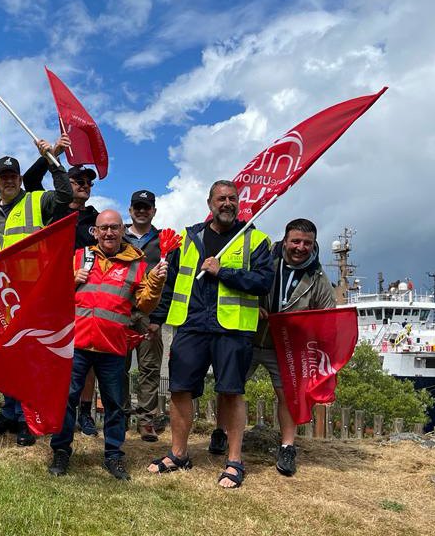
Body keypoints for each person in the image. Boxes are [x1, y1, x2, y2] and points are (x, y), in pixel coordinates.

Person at [147, 180, 273, 489]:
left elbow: (263, 282)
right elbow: (174, 282)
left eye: (232, 198)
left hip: (232, 328)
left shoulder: (255, 240)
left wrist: (224, 272)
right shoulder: (188, 239)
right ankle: (178, 454)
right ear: (209, 204)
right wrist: (156, 319)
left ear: (238, 202)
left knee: (231, 391)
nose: (227, 203)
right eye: (221, 199)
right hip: (191, 325)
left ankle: (234, 460)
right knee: (179, 389)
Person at [47, 210, 166, 480]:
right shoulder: (79, 257)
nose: (109, 233)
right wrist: (69, 281)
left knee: (115, 405)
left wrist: (156, 284)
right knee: (66, 400)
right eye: (103, 228)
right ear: (95, 232)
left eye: (114, 228)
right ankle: (61, 451)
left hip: (111, 347)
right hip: (76, 344)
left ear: (122, 230)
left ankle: (113, 455)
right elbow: (53, 293)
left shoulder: (137, 264)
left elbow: (145, 304)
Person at [0, 136, 73, 446]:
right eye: (3, 177)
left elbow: (65, 194)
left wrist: (51, 158)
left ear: (20, 178)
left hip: (32, 294)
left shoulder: (37, 200)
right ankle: (9, 412)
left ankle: (25, 418)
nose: (8, 181)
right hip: (2, 293)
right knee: (10, 356)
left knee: (31, 356)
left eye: (13, 177)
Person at [250, 218, 336, 476]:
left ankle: (287, 447)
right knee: (229, 386)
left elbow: (327, 318)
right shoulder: (265, 261)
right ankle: (221, 432)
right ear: (285, 240)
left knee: (288, 396)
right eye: (295, 241)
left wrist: (303, 327)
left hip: (286, 347)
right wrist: (253, 307)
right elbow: (243, 287)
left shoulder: (318, 278)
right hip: (251, 337)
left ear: (314, 245)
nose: (300, 247)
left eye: (307, 243)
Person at [23, 157, 100, 436]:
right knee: (49, 349)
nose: (85, 185)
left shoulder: (95, 218)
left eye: (89, 182)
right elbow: (29, 181)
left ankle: (85, 412)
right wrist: (49, 155)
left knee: (85, 351)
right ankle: (45, 410)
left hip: (84, 292)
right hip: (50, 289)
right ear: (67, 183)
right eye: (79, 180)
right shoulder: (51, 207)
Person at [122, 190, 165, 442]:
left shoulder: (164, 242)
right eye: (137, 206)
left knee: (149, 368)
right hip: (121, 311)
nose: (141, 210)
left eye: (146, 207)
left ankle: (147, 421)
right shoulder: (117, 235)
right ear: (130, 210)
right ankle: (122, 417)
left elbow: (169, 283)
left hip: (150, 314)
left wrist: (159, 317)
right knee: (119, 366)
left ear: (153, 211)